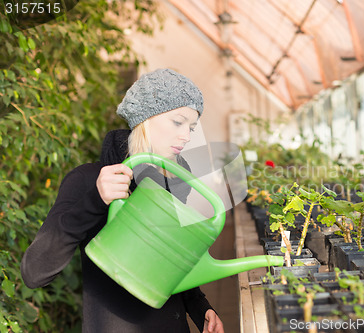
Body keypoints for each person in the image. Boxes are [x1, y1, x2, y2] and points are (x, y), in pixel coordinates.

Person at [21, 69, 225, 333]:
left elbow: (170, 262)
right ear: (145, 117)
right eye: (178, 122)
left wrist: (201, 309)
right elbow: (34, 272)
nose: (186, 136)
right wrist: (96, 201)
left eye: (192, 127)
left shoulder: (174, 182)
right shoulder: (88, 180)